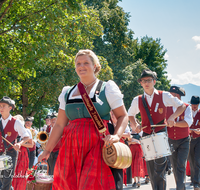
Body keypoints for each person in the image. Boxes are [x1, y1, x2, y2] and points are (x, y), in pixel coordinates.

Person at [38, 49, 128, 190]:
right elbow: (60, 125)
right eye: (78, 63)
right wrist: (47, 151)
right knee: (67, 184)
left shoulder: (107, 88)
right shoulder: (67, 92)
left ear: (95, 66)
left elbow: (123, 116)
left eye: (86, 62)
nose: (81, 66)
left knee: (92, 184)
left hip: (98, 144)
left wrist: (116, 136)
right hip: (70, 146)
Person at [128, 69, 186, 190]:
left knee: (160, 166)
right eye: (143, 81)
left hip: (160, 133)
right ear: (141, 83)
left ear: (154, 81)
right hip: (146, 134)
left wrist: (172, 117)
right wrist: (135, 125)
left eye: (149, 80)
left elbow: (181, 106)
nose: (146, 83)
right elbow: (130, 115)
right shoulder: (137, 99)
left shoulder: (164, 95)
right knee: (150, 168)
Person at [167, 86, 193, 190]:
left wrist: (173, 124)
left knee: (181, 166)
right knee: (175, 166)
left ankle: (180, 188)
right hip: (171, 140)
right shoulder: (166, 107)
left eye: (172, 95)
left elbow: (188, 123)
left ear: (177, 96)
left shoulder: (187, 107)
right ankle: (180, 187)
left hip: (184, 141)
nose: (170, 97)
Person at [0, 96, 29, 190]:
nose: (1, 108)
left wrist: (19, 144)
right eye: (0, 106)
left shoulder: (16, 122)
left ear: (10, 108)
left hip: (10, 154)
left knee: (6, 181)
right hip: (0, 154)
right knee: (2, 181)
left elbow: (26, 137)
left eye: (4, 106)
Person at [12, 114, 34, 190]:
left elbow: (31, 145)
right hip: (13, 152)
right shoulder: (12, 130)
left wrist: (20, 143)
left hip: (22, 153)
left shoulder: (26, 130)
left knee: (20, 174)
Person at [188, 96, 200, 190]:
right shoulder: (188, 112)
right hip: (189, 139)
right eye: (193, 104)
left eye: (196, 104)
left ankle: (196, 182)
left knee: (197, 160)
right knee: (191, 161)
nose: (194, 106)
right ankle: (193, 180)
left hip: (198, 139)